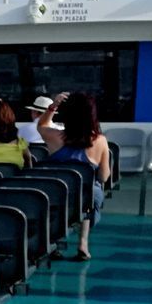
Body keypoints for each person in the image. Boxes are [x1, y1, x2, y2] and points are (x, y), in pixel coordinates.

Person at [37, 93, 110, 261]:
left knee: (63, 196)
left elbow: (41, 125)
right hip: (86, 197)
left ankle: (55, 241)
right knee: (87, 194)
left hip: (57, 195)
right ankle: (83, 243)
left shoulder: (54, 137)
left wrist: (53, 106)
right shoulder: (100, 140)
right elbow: (104, 176)